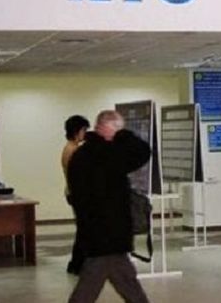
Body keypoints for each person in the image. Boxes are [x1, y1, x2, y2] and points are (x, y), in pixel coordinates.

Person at [67, 111, 151, 303]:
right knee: (91, 286)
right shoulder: (104, 154)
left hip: (97, 231)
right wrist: (124, 135)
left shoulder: (83, 154)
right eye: (118, 129)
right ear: (107, 128)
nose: (119, 134)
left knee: (126, 281)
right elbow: (142, 152)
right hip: (108, 234)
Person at [62, 115, 90, 275]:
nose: (85, 133)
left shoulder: (70, 148)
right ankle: (77, 263)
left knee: (83, 229)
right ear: (76, 131)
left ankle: (77, 263)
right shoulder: (73, 150)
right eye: (84, 130)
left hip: (73, 192)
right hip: (78, 193)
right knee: (84, 229)